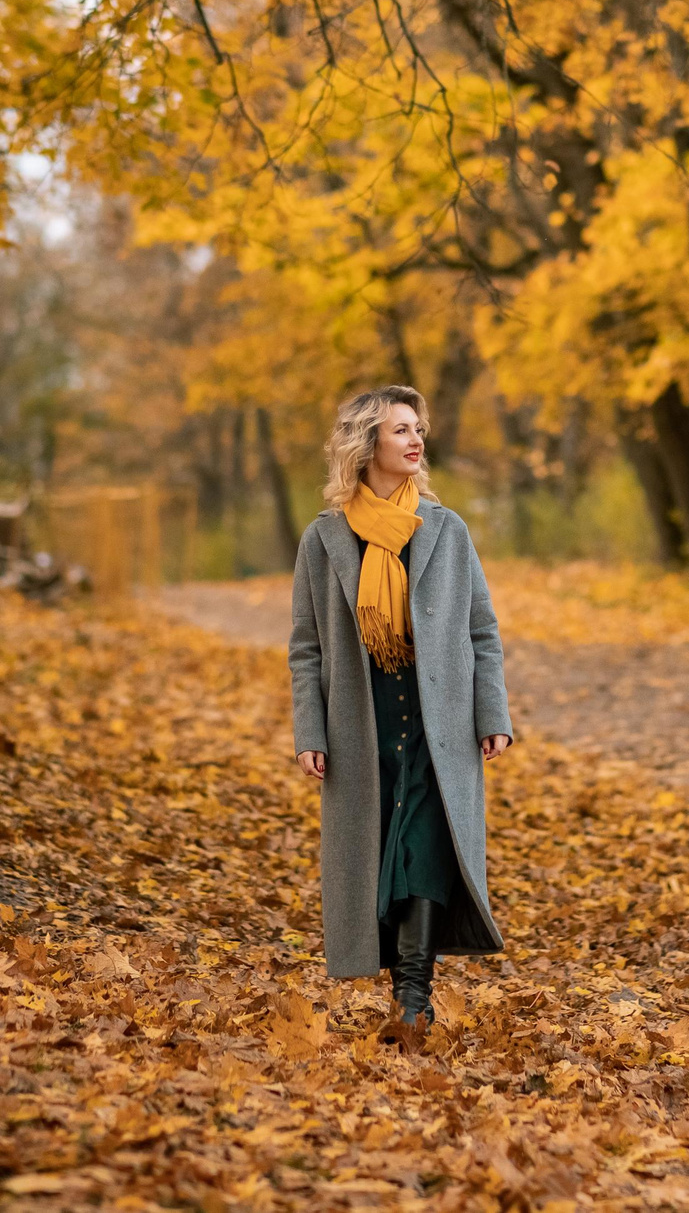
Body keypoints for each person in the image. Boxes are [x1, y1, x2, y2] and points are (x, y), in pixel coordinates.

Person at [287, 385, 514, 1051]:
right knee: (378, 851)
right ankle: (401, 988)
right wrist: (310, 729)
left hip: (439, 723)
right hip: (363, 722)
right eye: (401, 431)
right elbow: (306, 647)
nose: (416, 440)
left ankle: (413, 1002)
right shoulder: (324, 539)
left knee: (423, 850)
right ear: (368, 446)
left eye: (419, 429)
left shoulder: (446, 529)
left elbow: (482, 630)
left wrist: (492, 711)